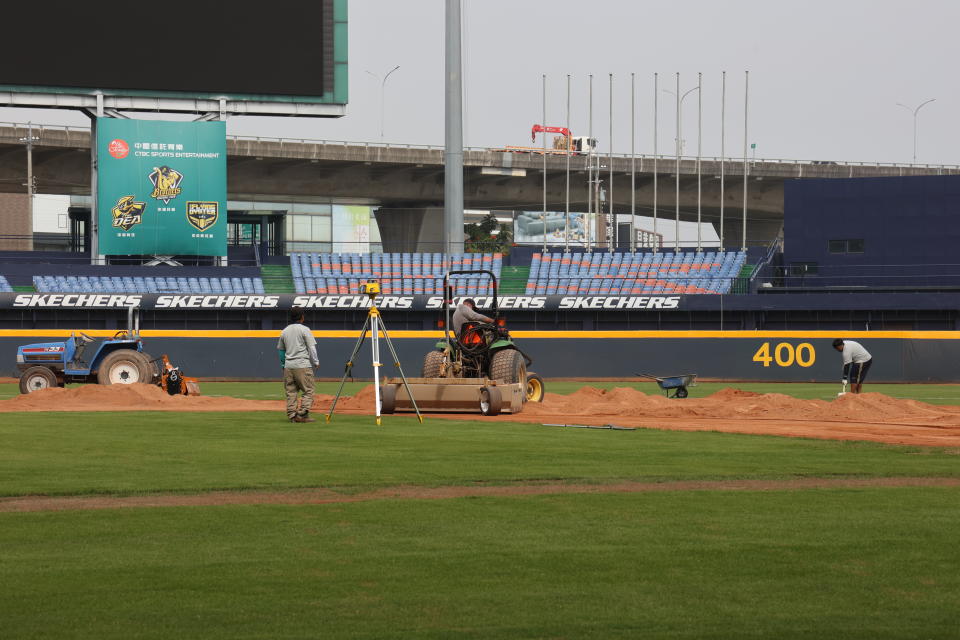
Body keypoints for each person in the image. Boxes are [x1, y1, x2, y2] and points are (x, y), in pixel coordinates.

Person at [278, 308, 319, 423]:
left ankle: (292, 416)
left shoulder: (284, 331)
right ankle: (303, 412)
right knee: (309, 390)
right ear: (302, 317)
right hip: (302, 365)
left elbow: (281, 351)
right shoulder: (305, 329)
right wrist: (315, 361)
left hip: (288, 366)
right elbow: (312, 347)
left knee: (291, 392)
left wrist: (283, 364)